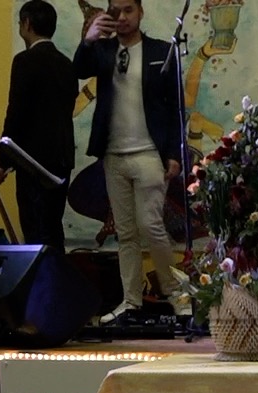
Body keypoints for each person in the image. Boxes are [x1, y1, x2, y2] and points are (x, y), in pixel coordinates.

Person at [74, 0, 188, 324]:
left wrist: (174, 155)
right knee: (125, 233)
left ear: (140, 12)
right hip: (113, 153)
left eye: (128, 10)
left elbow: (177, 109)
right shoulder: (103, 50)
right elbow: (77, 71)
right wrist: (88, 40)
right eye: (115, 12)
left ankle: (176, 293)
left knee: (151, 225)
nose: (121, 17)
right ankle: (130, 301)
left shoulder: (161, 51)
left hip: (149, 151)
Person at [0, 1, 78, 250]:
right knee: (54, 228)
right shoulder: (67, 64)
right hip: (62, 159)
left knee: (35, 234)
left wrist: (3, 160)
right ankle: (58, 284)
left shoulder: (24, 61)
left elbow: (17, 112)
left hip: (34, 163)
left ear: (27, 24)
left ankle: (41, 287)